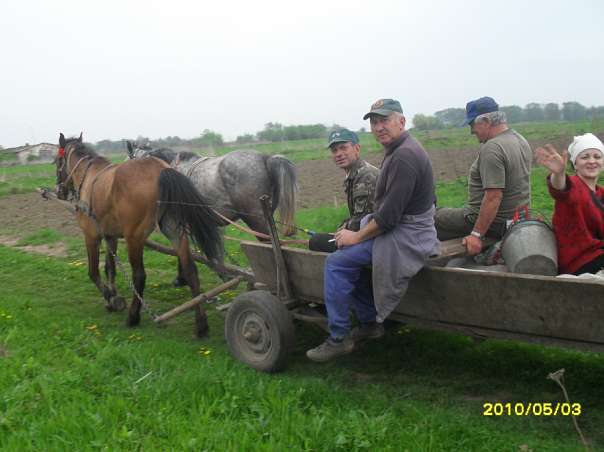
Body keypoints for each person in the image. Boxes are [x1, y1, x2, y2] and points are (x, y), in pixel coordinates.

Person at [306, 99, 439, 362]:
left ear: (401, 121)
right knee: (346, 251)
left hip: (407, 235)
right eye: (374, 122)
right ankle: (369, 323)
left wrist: (355, 235)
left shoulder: (404, 156)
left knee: (336, 263)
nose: (379, 127)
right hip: (406, 227)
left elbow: (388, 217)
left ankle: (339, 337)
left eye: (384, 120)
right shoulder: (398, 150)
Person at [434, 96, 533, 256]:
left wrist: (476, 235)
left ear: (486, 121)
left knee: (429, 217)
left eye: (472, 124)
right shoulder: (520, 139)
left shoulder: (492, 148)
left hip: (492, 223)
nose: (472, 130)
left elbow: (493, 197)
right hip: (518, 218)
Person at [535, 133, 604, 274]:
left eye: (597, 156)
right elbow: (560, 188)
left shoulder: (601, 193)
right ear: (575, 163)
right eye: (585, 157)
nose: (592, 161)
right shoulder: (573, 186)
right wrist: (559, 174)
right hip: (580, 261)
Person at [327, 128, 379, 232]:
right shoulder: (354, 175)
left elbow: (363, 219)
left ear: (357, 148)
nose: (339, 154)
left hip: (378, 236)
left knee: (321, 243)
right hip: (368, 232)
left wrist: (343, 229)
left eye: (343, 148)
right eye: (334, 150)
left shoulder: (366, 176)